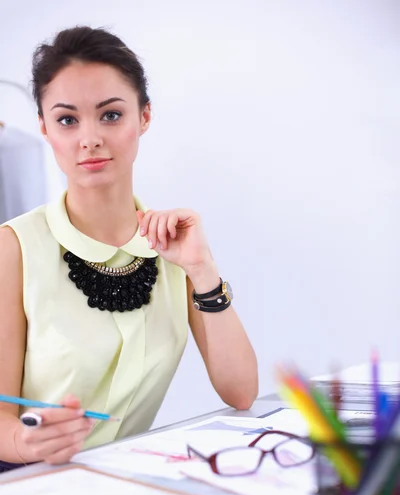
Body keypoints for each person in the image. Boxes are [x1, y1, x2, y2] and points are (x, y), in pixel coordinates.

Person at [0, 26, 258, 471]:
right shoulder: (15, 247)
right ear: (44, 128)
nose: (90, 138)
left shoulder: (173, 243)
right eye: (67, 119)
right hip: (26, 487)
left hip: (122, 487)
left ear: (145, 117)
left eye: (111, 115)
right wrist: (27, 442)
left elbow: (241, 392)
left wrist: (202, 270)